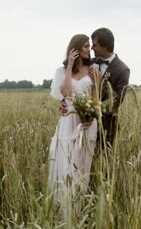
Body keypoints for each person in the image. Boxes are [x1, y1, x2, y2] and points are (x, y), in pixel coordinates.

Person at [48, 34, 100, 209]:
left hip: (86, 122)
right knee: (67, 163)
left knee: (83, 166)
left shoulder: (93, 69)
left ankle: (80, 208)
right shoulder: (61, 71)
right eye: (85, 46)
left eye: (89, 46)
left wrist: (91, 115)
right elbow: (66, 93)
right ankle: (64, 208)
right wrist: (70, 66)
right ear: (75, 49)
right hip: (69, 119)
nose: (89, 49)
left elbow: (95, 98)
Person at [61, 28, 130, 145]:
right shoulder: (90, 62)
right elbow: (76, 83)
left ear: (105, 47)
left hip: (106, 126)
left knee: (103, 160)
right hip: (82, 124)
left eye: (95, 45)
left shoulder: (122, 69)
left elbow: (117, 100)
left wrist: (100, 83)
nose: (91, 48)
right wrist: (64, 101)